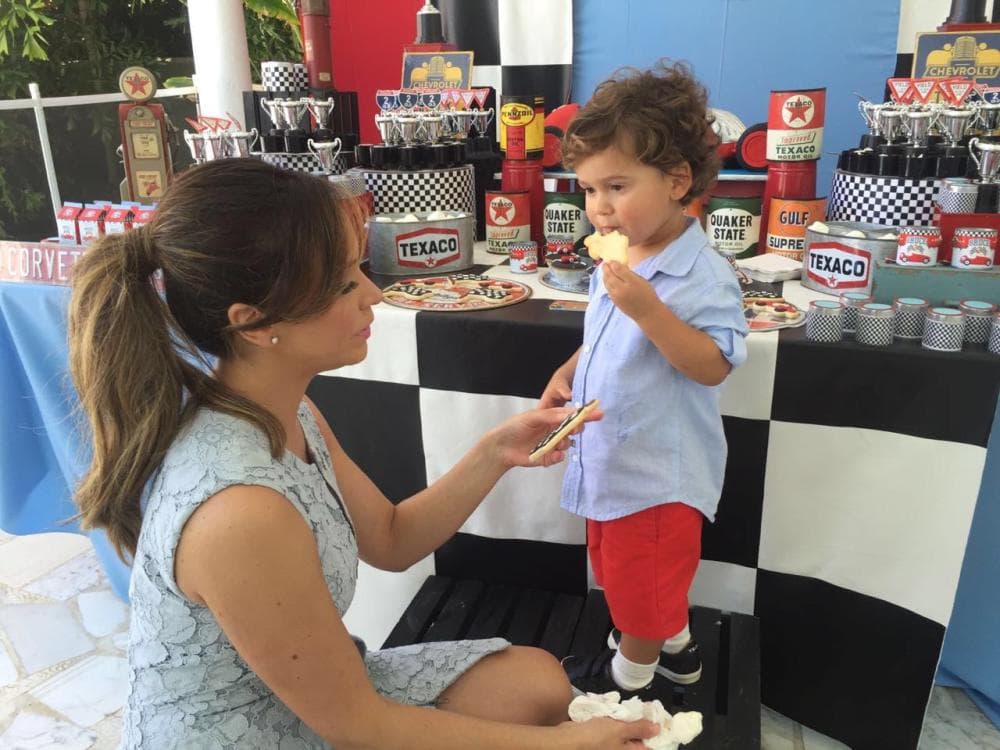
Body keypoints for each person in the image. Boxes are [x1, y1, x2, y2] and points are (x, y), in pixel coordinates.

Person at [66, 159, 661, 749]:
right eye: (346, 281)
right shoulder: (239, 510)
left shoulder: (285, 409)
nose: (373, 294)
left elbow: (392, 539)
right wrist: (568, 745)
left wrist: (494, 452)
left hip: (312, 704)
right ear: (252, 323)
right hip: (263, 733)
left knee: (538, 682)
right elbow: (358, 727)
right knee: (546, 719)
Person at [540, 62, 749, 696]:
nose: (598, 208)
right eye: (588, 190)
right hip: (610, 455)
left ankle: (628, 679)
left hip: (656, 474)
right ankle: (675, 648)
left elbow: (713, 364)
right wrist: (568, 370)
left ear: (677, 181)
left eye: (616, 187)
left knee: (640, 580)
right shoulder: (624, 255)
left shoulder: (702, 273)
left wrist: (648, 310)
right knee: (618, 567)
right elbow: (607, 339)